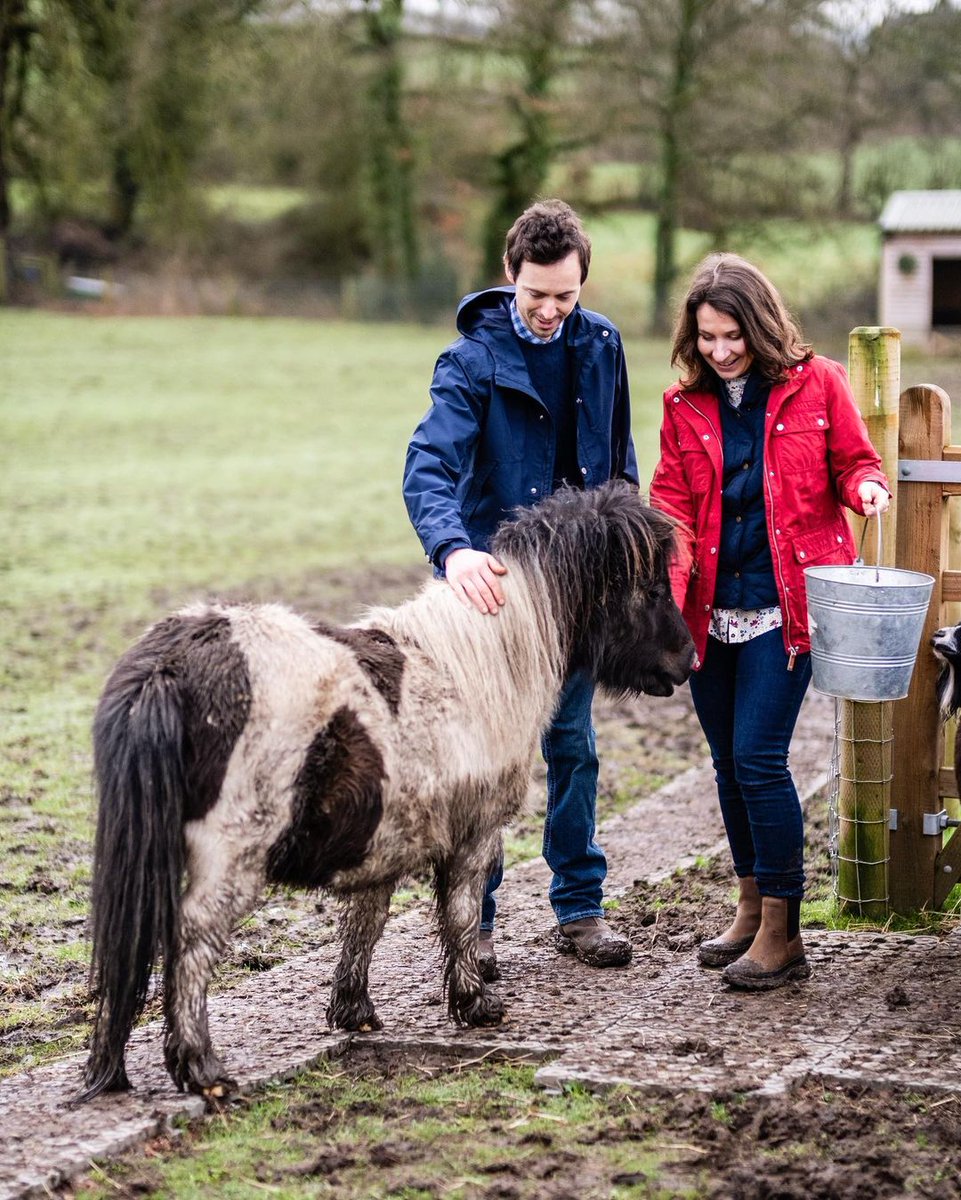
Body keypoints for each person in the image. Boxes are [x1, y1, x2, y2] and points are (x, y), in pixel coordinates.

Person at [403, 199, 637, 979]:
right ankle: (478, 920)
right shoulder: (470, 360)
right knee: (487, 764)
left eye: (563, 296)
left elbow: (619, 471)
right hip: (492, 601)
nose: (547, 310)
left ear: (581, 286)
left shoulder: (602, 347)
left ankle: (579, 908)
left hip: (573, 600)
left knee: (573, 747)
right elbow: (427, 468)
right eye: (535, 293)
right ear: (510, 276)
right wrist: (454, 551)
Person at [649, 253, 890, 991]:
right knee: (727, 767)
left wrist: (868, 485)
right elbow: (670, 500)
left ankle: (784, 931)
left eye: (732, 336)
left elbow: (852, 460)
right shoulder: (682, 404)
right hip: (707, 612)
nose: (720, 352)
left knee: (756, 759)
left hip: (786, 610)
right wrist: (664, 576)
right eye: (707, 339)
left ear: (759, 326)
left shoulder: (817, 384)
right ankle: (750, 908)